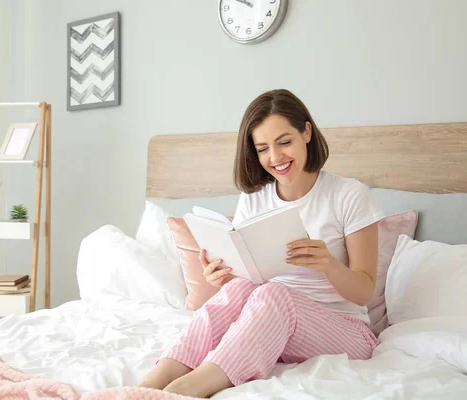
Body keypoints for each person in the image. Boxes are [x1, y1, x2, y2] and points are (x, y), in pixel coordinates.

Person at [139, 89, 385, 398]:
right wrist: (223, 278)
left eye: (284, 142)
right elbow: (249, 282)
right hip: (272, 326)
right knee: (240, 288)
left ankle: (185, 389)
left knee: (274, 292)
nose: (275, 158)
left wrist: (329, 265)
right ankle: (146, 387)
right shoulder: (254, 198)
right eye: (263, 149)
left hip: (346, 331)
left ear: (306, 132)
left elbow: (364, 292)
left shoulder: (349, 195)